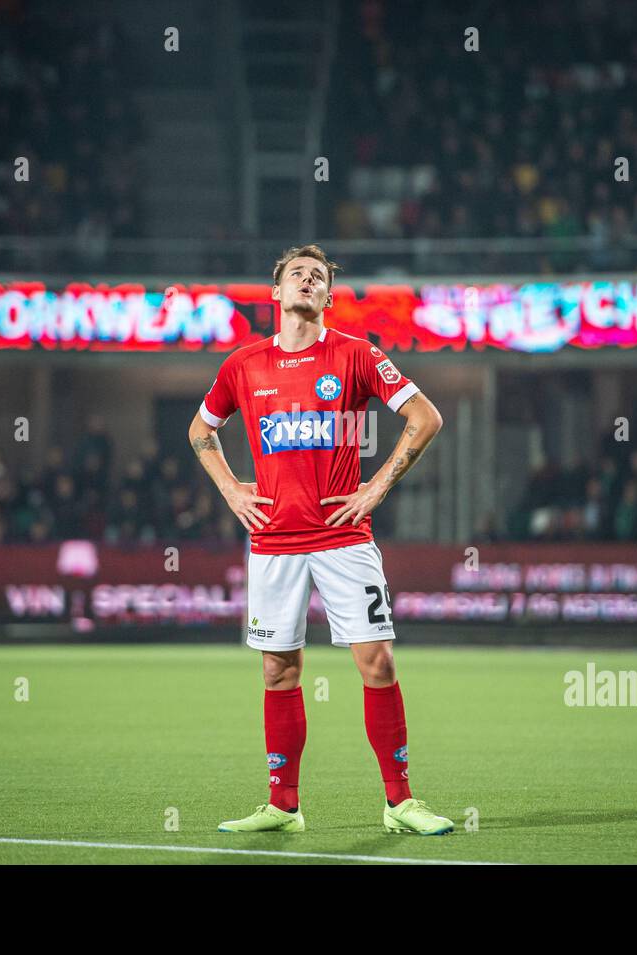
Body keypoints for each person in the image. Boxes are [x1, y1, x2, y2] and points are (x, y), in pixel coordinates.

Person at [188, 244, 453, 835]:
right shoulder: (243, 365)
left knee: (376, 662)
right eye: (296, 274)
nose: (308, 281)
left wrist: (377, 487)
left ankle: (400, 802)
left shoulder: (357, 356)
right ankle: (283, 806)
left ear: (329, 297)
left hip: (344, 538)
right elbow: (201, 429)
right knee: (278, 673)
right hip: (273, 542)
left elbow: (426, 417)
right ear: (275, 292)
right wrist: (232, 491)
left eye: (319, 277)